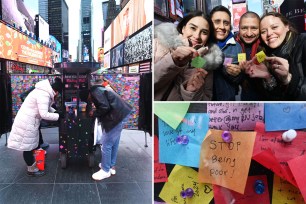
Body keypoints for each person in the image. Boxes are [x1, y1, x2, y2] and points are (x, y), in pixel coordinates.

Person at [154, 11, 223, 101]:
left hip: (180, 114)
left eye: (204, 32)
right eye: (193, 28)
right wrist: (173, 60)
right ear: (183, 28)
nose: (197, 36)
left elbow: (205, 100)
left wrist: (191, 92)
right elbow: (146, 83)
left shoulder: (207, 63)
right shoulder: (159, 44)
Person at [7, 79, 64, 177]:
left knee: (33, 145)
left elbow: (45, 106)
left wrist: (55, 112)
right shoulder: (44, 94)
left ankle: (36, 164)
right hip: (27, 122)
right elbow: (44, 114)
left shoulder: (43, 91)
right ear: (56, 91)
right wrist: (59, 116)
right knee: (28, 147)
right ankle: (31, 169)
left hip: (29, 121)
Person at [244, 12, 306, 100]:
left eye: (274, 27)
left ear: (287, 27)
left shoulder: (303, 43)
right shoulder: (264, 54)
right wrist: (268, 77)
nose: (269, 33)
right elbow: (274, 99)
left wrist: (288, 79)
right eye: (263, 31)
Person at [79, 80, 132, 181]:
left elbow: (104, 107)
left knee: (106, 143)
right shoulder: (99, 89)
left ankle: (105, 170)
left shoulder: (95, 92)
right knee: (114, 142)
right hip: (121, 114)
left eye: (88, 99)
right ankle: (111, 166)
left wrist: (94, 113)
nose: (89, 101)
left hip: (116, 117)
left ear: (88, 95)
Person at [210, 5, 243, 101]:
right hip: (204, 100)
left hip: (227, 101)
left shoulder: (237, 47)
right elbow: (193, 68)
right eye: (217, 22)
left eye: (226, 23)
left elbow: (241, 77)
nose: (222, 27)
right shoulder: (203, 44)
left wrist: (237, 74)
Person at [235, 11, 262, 100]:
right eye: (244, 28)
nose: (249, 33)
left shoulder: (267, 45)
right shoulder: (233, 44)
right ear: (239, 28)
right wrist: (239, 72)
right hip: (244, 95)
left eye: (254, 28)